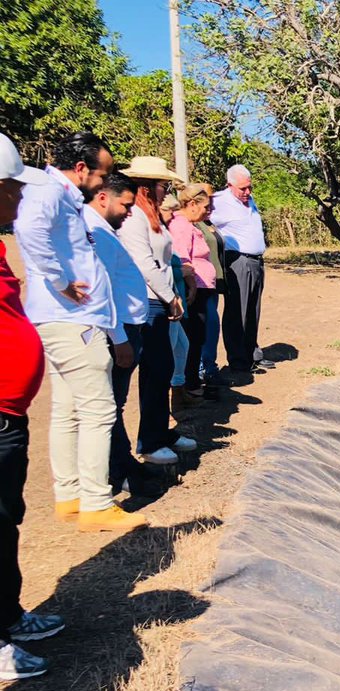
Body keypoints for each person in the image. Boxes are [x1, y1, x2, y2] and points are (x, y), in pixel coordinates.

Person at [13, 132, 147, 534]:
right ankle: (96, 503)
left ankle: (70, 495)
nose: (103, 182)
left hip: (68, 319)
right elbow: (29, 230)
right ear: (81, 168)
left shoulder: (62, 197)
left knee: (69, 409)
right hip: (73, 320)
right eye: (102, 174)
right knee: (98, 410)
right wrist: (59, 281)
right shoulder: (50, 191)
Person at [0, 133, 65, 680]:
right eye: (12, 188)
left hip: (9, 416)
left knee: (6, 519)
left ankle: (8, 615)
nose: (21, 197)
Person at [117, 156, 196, 466]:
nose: (167, 191)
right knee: (154, 371)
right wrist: (169, 296)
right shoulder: (134, 217)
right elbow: (144, 263)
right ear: (148, 187)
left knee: (162, 369)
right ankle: (150, 442)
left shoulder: (152, 217)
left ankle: (160, 432)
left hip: (159, 300)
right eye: (164, 185)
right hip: (149, 302)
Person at [84, 172, 153, 495]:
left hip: (127, 327)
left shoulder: (104, 231)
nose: (129, 212)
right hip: (118, 331)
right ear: (103, 198)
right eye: (125, 205)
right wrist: (120, 338)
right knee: (109, 405)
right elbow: (102, 290)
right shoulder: (94, 233)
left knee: (115, 404)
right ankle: (116, 472)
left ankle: (122, 464)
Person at [210, 164, 271, 375]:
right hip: (238, 261)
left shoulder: (249, 200)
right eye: (242, 188)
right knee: (237, 311)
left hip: (256, 261)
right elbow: (200, 219)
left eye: (249, 187)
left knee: (253, 309)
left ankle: (252, 354)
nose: (247, 192)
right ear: (230, 185)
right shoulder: (219, 201)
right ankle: (237, 360)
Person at [168, 184, 217, 399]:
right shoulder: (181, 226)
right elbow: (183, 258)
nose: (208, 211)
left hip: (202, 288)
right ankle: (189, 383)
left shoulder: (190, 225)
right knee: (193, 337)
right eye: (205, 206)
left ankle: (191, 381)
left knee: (198, 336)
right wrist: (192, 284)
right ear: (192, 204)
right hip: (194, 290)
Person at [159, 195, 197, 412]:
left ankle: (178, 391)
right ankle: (167, 401)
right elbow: (153, 270)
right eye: (169, 212)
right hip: (165, 300)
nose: (172, 217)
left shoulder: (164, 233)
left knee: (182, 345)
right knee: (169, 349)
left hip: (173, 296)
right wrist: (181, 273)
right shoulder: (151, 234)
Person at [194, 184, 226, 393]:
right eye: (207, 200)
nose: (211, 205)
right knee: (203, 327)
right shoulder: (191, 224)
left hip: (212, 284)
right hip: (199, 285)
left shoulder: (208, 223)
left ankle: (209, 367)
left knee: (212, 327)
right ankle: (200, 370)